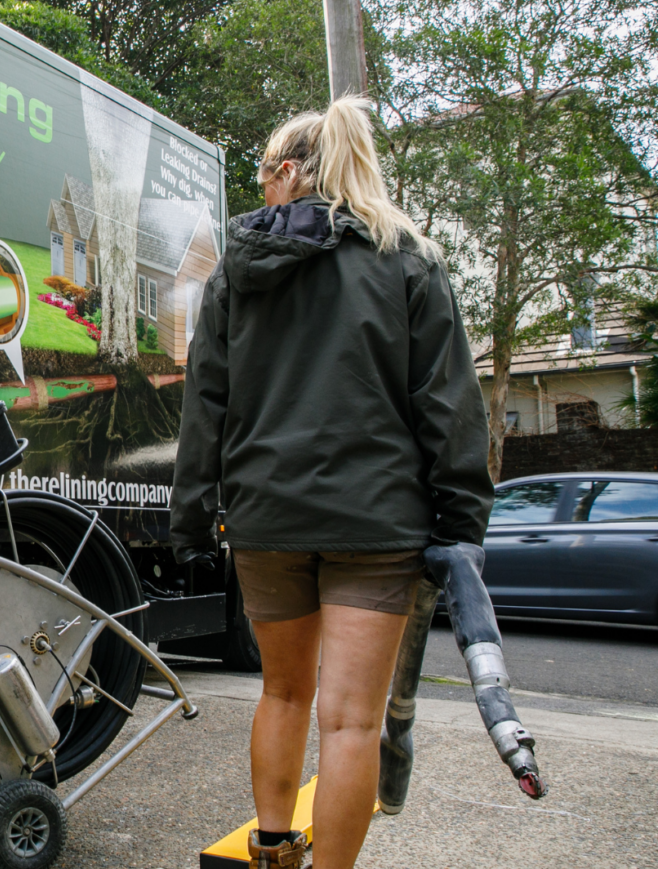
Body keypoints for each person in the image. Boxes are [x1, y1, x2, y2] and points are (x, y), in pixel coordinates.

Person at [170, 97, 492, 869]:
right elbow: (449, 404)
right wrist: (462, 519)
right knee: (351, 723)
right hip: (376, 524)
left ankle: (273, 849)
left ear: (287, 173)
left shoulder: (233, 276)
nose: (262, 189)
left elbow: (204, 406)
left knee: (283, 694)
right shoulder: (408, 259)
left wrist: (189, 519)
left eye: (263, 174)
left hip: (267, 520)